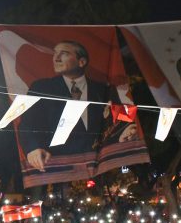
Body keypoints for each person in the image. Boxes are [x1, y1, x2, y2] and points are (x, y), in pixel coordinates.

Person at [18, 40, 114, 173]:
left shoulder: (103, 90)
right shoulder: (41, 87)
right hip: (57, 167)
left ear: (81, 62)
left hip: (101, 168)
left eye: (64, 53)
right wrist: (33, 148)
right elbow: (27, 123)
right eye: (55, 53)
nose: (56, 58)